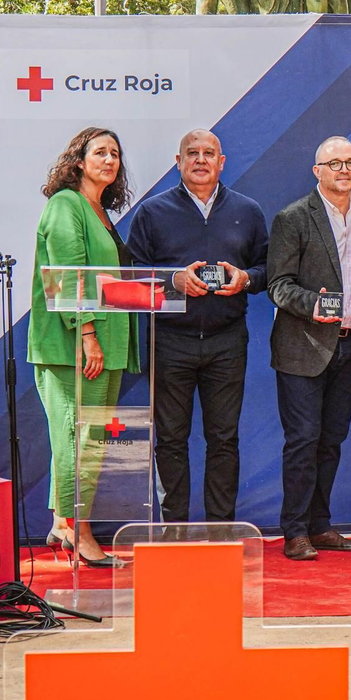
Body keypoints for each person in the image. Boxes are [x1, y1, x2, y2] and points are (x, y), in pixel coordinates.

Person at [125, 128, 269, 525]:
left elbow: (268, 269)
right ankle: (173, 529)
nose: (201, 160)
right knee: (170, 441)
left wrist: (246, 279)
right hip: (170, 341)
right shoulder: (153, 212)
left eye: (209, 153)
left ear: (222, 163)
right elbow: (132, 275)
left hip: (227, 342)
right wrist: (173, 280)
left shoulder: (248, 210)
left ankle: (222, 528)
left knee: (224, 440)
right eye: (193, 153)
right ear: (178, 161)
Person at [28, 126, 139, 568]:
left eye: (115, 153)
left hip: (106, 345)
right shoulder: (65, 204)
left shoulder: (100, 211)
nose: (109, 160)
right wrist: (88, 334)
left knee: (88, 439)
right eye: (100, 152)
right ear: (78, 161)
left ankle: (64, 523)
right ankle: (79, 533)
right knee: (79, 440)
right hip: (73, 346)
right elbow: (66, 275)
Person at [265, 137, 351, 562]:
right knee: (303, 441)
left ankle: (320, 525)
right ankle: (294, 531)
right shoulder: (292, 218)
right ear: (317, 171)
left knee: (331, 441)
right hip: (303, 348)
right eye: (334, 163)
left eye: (350, 162)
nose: (343, 170)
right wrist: (312, 305)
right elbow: (277, 285)